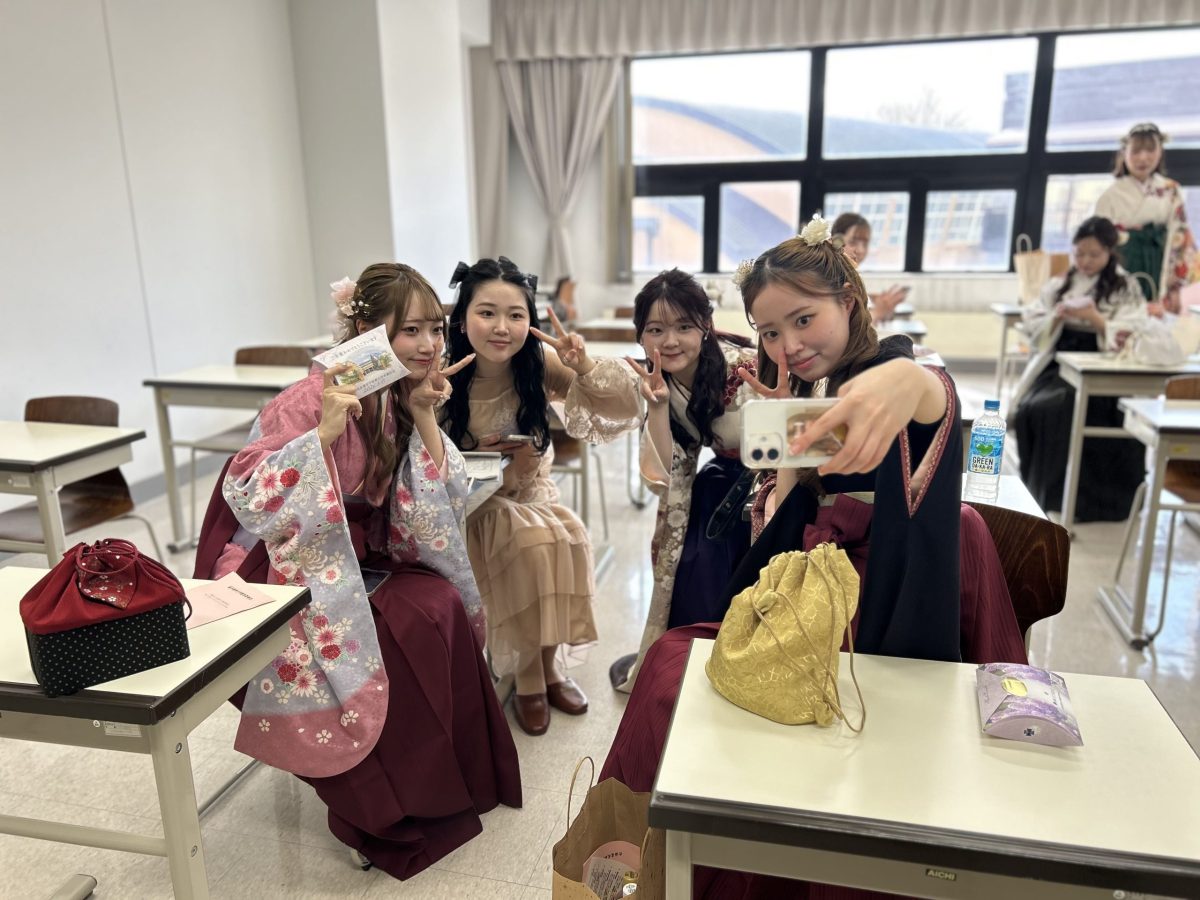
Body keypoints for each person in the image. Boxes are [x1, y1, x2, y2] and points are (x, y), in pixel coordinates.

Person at [600, 218, 1025, 899]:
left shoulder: (887, 372)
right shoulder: (804, 389)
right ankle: (639, 861)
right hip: (812, 580)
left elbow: (925, 393)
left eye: (804, 320)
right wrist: (787, 443)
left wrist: (906, 379)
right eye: (770, 332)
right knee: (669, 666)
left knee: (676, 676)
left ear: (848, 303)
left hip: (865, 604)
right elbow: (785, 510)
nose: (788, 345)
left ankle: (658, 864)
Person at [193, 263, 521, 880]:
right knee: (387, 637)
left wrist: (424, 413)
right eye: (410, 330)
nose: (428, 345)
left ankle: (447, 783)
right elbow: (248, 489)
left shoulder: (397, 393)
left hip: (358, 549)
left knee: (440, 605)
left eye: (435, 329)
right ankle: (375, 809)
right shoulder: (306, 398)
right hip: (284, 560)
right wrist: (320, 436)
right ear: (367, 332)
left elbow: (435, 498)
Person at [440, 257, 641, 735]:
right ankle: (529, 677)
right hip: (471, 505)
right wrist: (489, 463)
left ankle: (550, 668)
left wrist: (583, 366)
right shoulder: (442, 372)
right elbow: (427, 468)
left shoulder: (536, 363)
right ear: (462, 318)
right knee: (531, 545)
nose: (502, 327)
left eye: (516, 315)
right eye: (487, 313)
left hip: (532, 491)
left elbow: (624, 408)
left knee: (569, 538)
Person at [608, 269, 758, 693]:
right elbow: (665, 473)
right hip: (718, 483)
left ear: (705, 326)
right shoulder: (659, 380)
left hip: (766, 488)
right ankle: (688, 666)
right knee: (687, 562)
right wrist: (657, 407)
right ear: (640, 336)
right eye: (656, 330)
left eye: (684, 327)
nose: (670, 341)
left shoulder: (744, 370)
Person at [1012, 216, 1148, 522]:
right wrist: (1056, 317)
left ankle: (1089, 502)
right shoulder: (1060, 284)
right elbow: (1033, 320)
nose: (1085, 261)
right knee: (1032, 409)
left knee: (1062, 408)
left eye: (1094, 255)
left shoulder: (1126, 286)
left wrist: (1095, 319)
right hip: (1059, 361)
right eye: (1079, 254)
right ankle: (1043, 494)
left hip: (1105, 365)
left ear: (1110, 252)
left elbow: (1136, 330)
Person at [1095, 122, 1199, 311]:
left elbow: (1180, 234)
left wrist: (1175, 283)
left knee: (1157, 316)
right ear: (1124, 153)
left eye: (1150, 150)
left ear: (1160, 152)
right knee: (1124, 312)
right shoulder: (1110, 195)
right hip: (1124, 262)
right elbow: (1097, 240)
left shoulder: (1170, 190)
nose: (1143, 157)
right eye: (1136, 151)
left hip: (1161, 263)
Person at [830, 211, 909, 323]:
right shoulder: (829, 276)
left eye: (865, 244)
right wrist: (878, 312)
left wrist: (869, 299)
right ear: (836, 242)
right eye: (853, 242)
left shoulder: (848, 275)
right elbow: (839, 327)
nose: (861, 250)